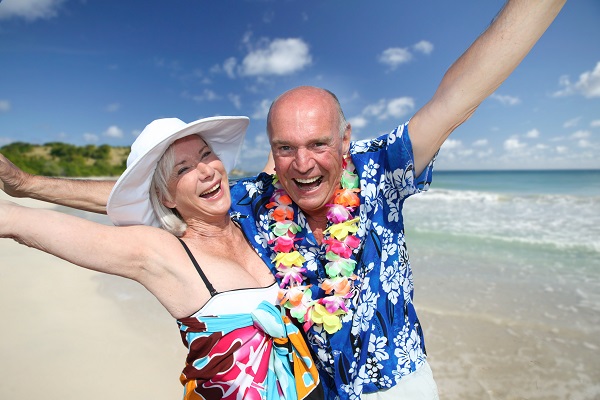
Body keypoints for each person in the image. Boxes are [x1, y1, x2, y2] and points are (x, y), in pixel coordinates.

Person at [0, 1, 566, 398]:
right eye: (285, 148)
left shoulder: (381, 171)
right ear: (271, 152)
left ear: (345, 141)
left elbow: (460, 94)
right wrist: (27, 185)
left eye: (319, 143)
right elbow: (145, 199)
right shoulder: (253, 199)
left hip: (399, 388)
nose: (303, 163)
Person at [0, 116, 322, 400]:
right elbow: (17, 222)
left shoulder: (257, 217)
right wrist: (21, 184)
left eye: (206, 154)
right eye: (183, 169)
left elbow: (284, 153)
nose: (206, 171)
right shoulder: (160, 252)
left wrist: (28, 184)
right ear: (165, 197)